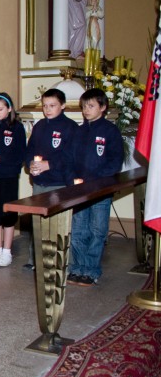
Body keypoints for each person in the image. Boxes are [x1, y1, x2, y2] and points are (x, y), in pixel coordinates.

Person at [68, 88, 123, 286]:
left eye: (91, 106)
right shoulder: (79, 131)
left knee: (97, 231)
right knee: (78, 231)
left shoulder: (110, 131)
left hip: (101, 189)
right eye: (84, 106)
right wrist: (73, 177)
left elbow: (115, 161)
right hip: (81, 189)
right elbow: (71, 159)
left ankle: (91, 269)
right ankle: (78, 268)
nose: (86, 110)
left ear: (103, 107)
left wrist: (97, 178)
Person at [0, 93, 27, 267]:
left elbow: (19, 153)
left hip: (8, 175)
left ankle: (7, 251)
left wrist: (2, 159)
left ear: (9, 108)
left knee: (8, 213)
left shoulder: (17, 128)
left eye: (0, 109)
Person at [25, 88, 77, 194]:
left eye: (52, 106)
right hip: (39, 181)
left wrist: (50, 164)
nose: (47, 109)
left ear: (62, 105)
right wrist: (30, 163)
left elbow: (71, 155)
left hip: (59, 182)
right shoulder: (39, 126)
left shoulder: (70, 127)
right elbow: (30, 149)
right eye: (45, 105)